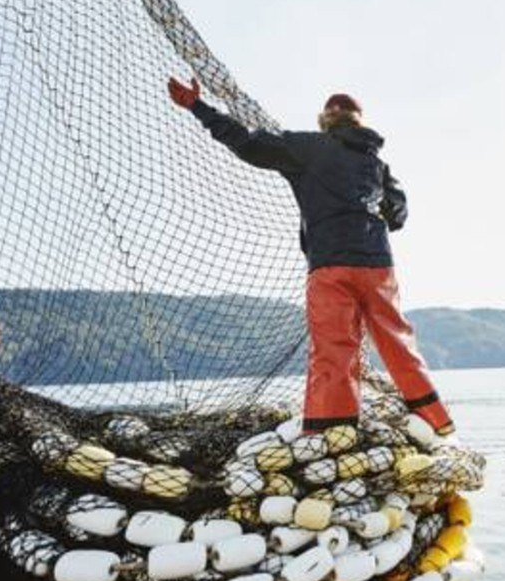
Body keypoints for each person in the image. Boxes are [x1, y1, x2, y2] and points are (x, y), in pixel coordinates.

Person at [167, 77, 454, 436]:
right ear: (358, 121)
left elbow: (247, 143)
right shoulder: (377, 164)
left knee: (334, 349)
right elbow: (398, 215)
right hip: (378, 265)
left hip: (330, 264)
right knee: (397, 341)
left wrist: (198, 107)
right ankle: (438, 423)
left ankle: (330, 434)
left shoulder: (307, 148)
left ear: (325, 120)